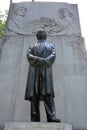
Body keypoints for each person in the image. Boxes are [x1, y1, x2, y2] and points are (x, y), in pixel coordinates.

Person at [25, 29, 60, 122]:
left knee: (48, 94)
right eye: (39, 32)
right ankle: (34, 118)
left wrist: (45, 60)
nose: (41, 32)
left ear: (45, 35)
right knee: (34, 94)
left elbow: (53, 55)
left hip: (46, 71)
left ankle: (51, 116)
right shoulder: (32, 46)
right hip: (34, 71)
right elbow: (29, 56)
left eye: (42, 31)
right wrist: (41, 60)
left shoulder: (50, 45)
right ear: (36, 35)